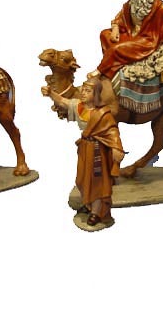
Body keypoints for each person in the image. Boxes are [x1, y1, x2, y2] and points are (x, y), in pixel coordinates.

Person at [42, 78, 124, 226]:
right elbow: (63, 101)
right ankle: (88, 204)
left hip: (98, 151)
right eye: (83, 90)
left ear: (96, 94)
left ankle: (96, 212)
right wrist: (50, 93)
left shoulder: (103, 113)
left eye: (88, 91)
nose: (83, 93)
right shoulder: (79, 106)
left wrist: (116, 148)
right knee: (82, 179)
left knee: (97, 182)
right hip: (84, 149)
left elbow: (113, 131)